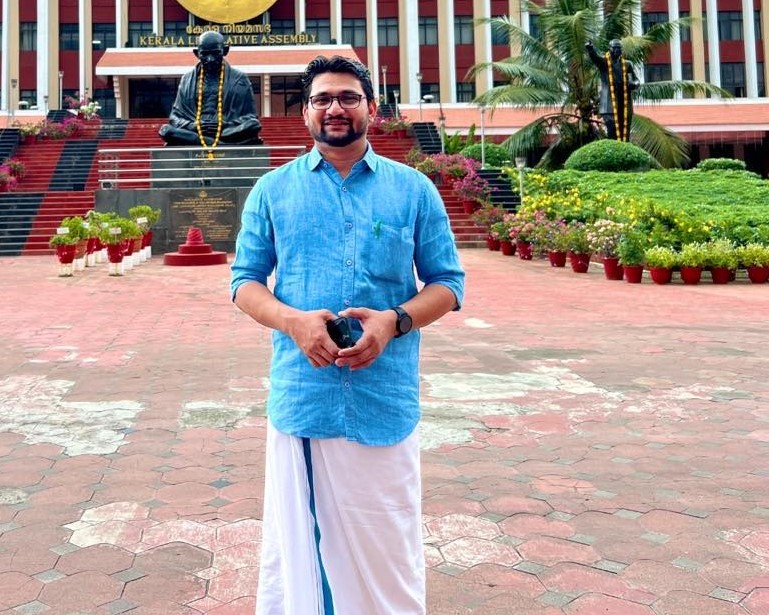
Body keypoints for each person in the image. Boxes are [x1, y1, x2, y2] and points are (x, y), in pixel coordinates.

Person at [230, 55, 465, 614]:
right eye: (322, 99)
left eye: (348, 97)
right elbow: (244, 282)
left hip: (384, 395)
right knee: (300, 551)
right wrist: (292, 321)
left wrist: (393, 321)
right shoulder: (272, 189)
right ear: (306, 112)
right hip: (304, 395)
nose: (335, 108)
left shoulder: (412, 191)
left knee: (389, 542)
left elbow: (448, 283)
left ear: (371, 109)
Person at [159, 31, 262, 148]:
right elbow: (175, 117)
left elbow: (251, 116)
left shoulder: (240, 79)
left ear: (225, 51)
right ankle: (219, 143)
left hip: (227, 129)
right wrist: (194, 126)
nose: (210, 59)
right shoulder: (187, 79)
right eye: (205, 54)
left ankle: (202, 141)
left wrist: (223, 124)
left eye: (216, 53)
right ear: (197, 53)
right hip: (196, 129)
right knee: (165, 130)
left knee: (253, 125)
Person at [585, 39, 640, 141]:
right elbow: (595, 58)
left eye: (619, 48)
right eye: (614, 48)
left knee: (625, 131)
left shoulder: (627, 64)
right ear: (609, 49)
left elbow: (636, 80)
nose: (617, 50)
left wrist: (634, 84)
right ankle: (613, 150)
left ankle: (624, 151)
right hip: (608, 103)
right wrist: (590, 49)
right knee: (612, 129)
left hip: (624, 102)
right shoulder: (604, 62)